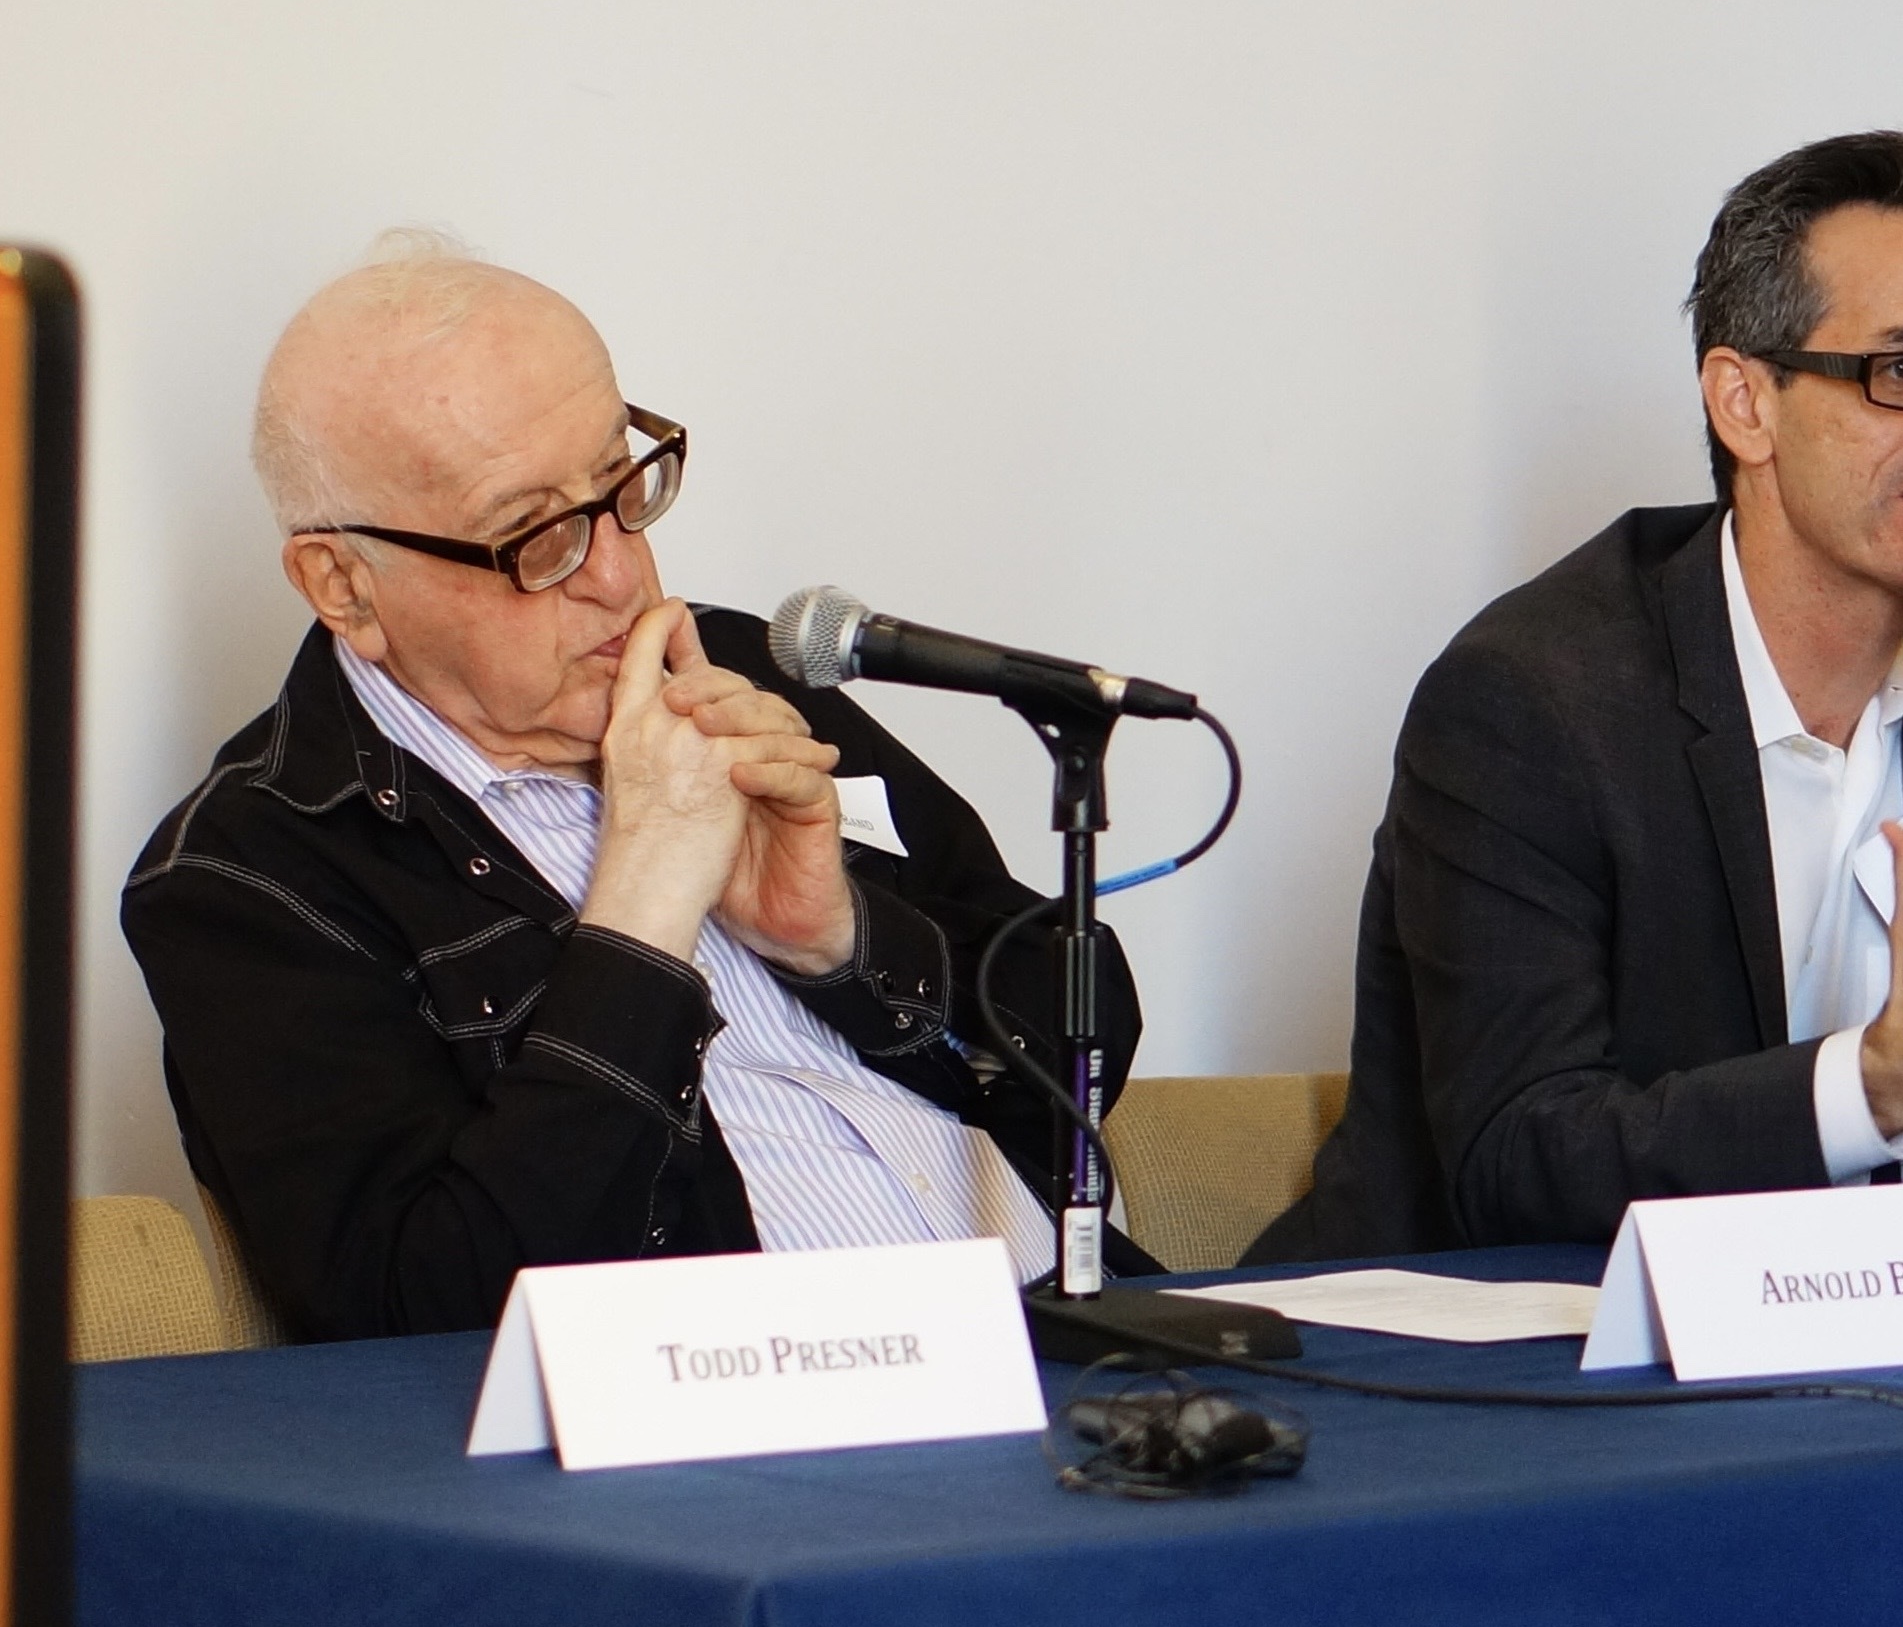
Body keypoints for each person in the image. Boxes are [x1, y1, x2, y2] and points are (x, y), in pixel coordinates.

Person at [123, 235, 1142, 1341]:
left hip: (1079, 1347)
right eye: (534, 536)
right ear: (345, 586)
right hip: (737, 1440)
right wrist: (643, 916)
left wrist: (840, 940)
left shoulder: (740, 666)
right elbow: (422, 1312)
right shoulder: (248, 880)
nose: (620, 576)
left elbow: (1094, 1040)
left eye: (622, 485)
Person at [1253, 130, 1903, 1263]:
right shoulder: (1532, 700)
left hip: (1881, 1342)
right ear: (1745, 404)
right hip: (1485, 1366)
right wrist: (1874, 1084)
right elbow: (1514, 1158)